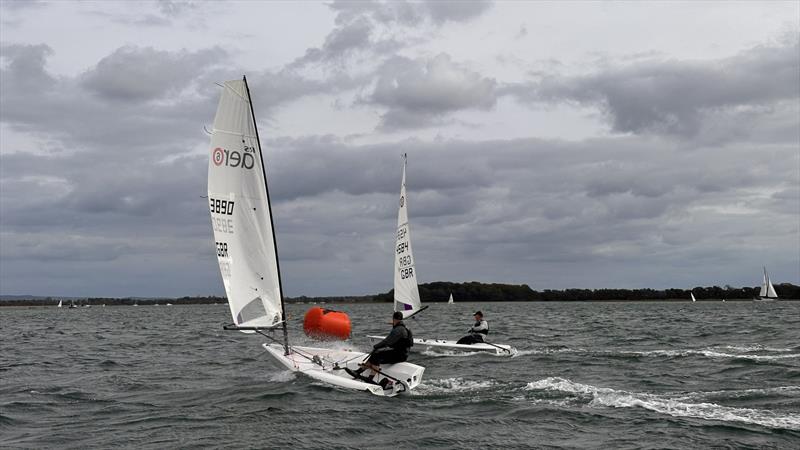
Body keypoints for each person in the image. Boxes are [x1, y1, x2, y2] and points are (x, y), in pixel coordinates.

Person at [347, 311, 412, 388]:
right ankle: (358, 371)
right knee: (376, 354)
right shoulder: (404, 327)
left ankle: (370, 378)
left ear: (394, 319)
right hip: (401, 353)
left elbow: (387, 341)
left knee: (377, 356)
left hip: (400, 355)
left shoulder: (398, 330)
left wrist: (376, 346)